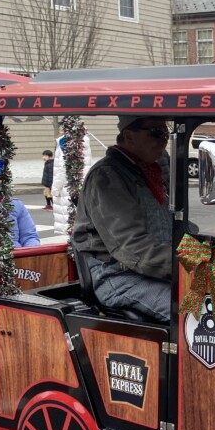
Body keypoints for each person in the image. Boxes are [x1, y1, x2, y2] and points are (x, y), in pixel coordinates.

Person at [72, 116, 173, 321]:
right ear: (129, 136)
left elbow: (173, 222)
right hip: (119, 277)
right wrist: (186, 263)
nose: (164, 139)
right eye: (157, 133)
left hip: (156, 270)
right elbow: (132, 247)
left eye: (167, 132)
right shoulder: (107, 176)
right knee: (199, 310)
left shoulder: (153, 168)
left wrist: (207, 248)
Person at [52, 128, 92, 237]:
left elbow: (63, 168)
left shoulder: (65, 142)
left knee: (68, 224)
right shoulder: (85, 140)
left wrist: (55, 189)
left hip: (67, 188)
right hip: (81, 185)